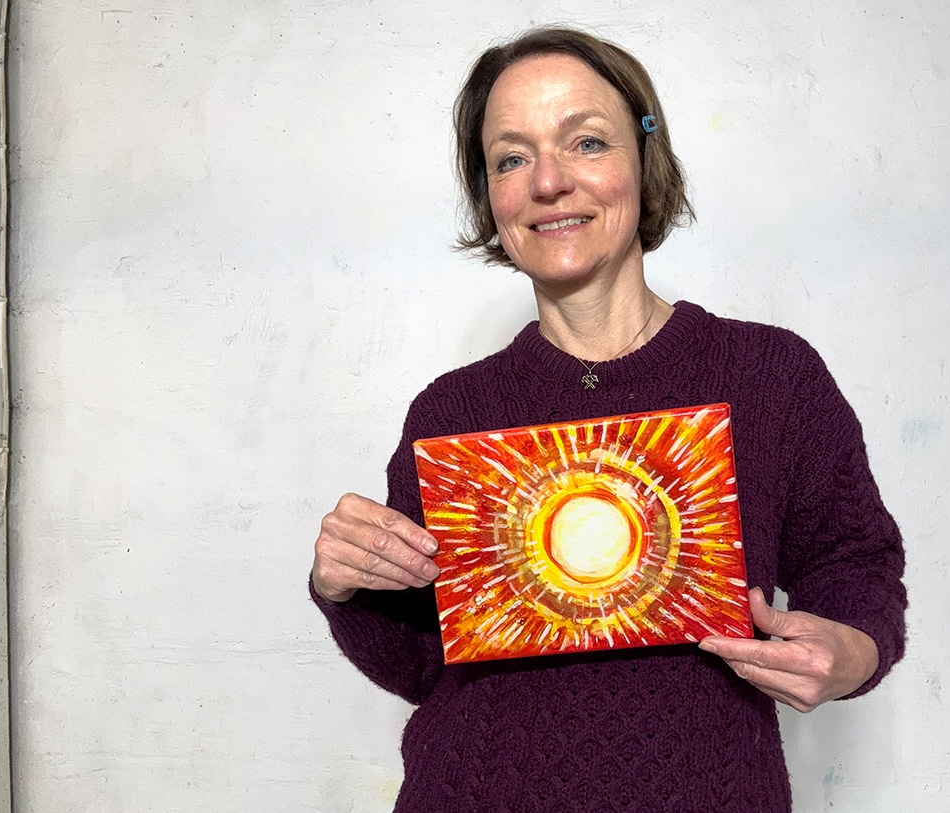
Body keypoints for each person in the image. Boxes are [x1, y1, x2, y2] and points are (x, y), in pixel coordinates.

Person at [310, 26, 906, 812]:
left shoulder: (771, 377)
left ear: (643, 158)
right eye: (511, 158)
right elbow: (422, 660)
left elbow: (854, 563)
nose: (548, 181)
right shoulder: (451, 413)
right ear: (491, 196)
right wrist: (347, 584)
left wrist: (850, 652)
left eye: (586, 142)